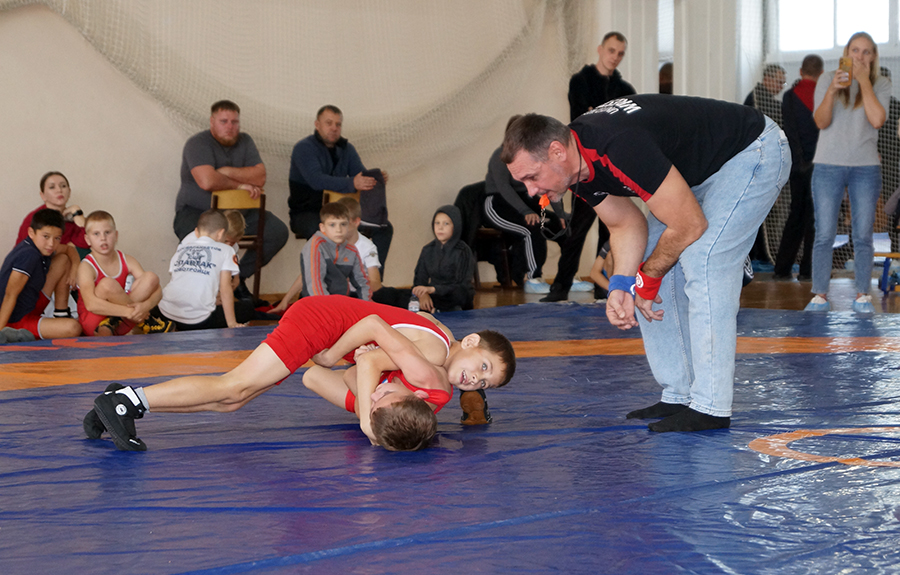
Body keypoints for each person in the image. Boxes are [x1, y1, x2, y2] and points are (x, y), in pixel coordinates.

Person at [502, 95, 790, 432]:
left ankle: (712, 406)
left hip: (752, 150)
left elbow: (690, 225)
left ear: (556, 152)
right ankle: (679, 392)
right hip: (696, 174)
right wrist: (622, 285)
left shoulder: (618, 145)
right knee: (653, 254)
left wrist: (648, 276)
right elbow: (625, 224)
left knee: (705, 258)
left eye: (532, 177)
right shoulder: (577, 167)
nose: (531, 191)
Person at [86, 295, 516, 450]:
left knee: (235, 400)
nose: (474, 379)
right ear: (471, 341)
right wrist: (338, 365)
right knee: (234, 385)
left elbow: (385, 342)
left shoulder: (439, 346)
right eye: (481, 368)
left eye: (484, 382)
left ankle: (127, 399)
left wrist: (352, 362)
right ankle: (127, 402)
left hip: (326, 323)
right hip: (321, 324)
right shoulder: (434, 353)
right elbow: (369, 335)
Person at [543, 31, 635, 303]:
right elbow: (581, 120)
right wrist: (604, 118)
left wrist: (598, 113)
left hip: (614, 167)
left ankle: (604, 288)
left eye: (620, 53)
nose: (615, 57)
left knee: (612, 231)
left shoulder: (626, 90)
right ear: (600, 49)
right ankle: (560, 288)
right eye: (611, 51)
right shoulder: (580, 81)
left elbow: (624, 127)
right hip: (586, 166)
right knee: (578, 229)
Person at [805, 32, 891, 313]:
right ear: (846, 52)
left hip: (865, 168)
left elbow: (877, 120)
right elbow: (821, 121)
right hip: (827, 164)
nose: (860, 57)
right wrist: (831, 90)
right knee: (824, 233)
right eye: (855, 50)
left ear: (874, 56)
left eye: (866, 52)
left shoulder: (881, 83)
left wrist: (864, 81)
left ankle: (863, 294)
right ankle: (819, 294)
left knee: (863, 234)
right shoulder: (827, 78)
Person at [173, 100, 288, 290]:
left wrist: (225, 171)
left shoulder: (245, 141)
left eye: (234, 122)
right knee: (197, 244)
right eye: (223, 121)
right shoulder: (197, 143)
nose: (230, 127)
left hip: (239, 214)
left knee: (277, 232)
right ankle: (204, 289)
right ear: (212, 122)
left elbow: (260, 177)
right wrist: (240, 185)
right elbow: (207, 181)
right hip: (198, 214)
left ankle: (236, 280)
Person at [289, 105, 393, 267]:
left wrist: (373, 180)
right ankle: (326, 280)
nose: (334, 128)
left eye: (338, 124)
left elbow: (360, 176)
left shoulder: (347, 149)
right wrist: (352, 183)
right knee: (326, 232)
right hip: (308, 213)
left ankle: (372, 278)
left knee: (384, 228)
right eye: (329, 123)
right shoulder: (304, 148)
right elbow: (317, 180)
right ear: (317, 125)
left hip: (342, 213)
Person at [482, 115, 564, 294]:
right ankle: (534, 279)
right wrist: (525, 211)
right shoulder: (500, 156)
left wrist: (560, 214)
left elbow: (548, 185)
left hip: (525, 201)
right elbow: (504, 188)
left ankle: (566, 276)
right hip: (499, 203)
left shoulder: (535, 156)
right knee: (532, 229)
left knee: (560, 226)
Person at [76, 211, 172, 336]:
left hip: (121, 321)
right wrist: (130, 312)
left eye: (107, 232)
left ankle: (116, 320)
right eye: (96, 234)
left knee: (151, 277)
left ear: (116, 235)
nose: (103, 238)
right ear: (87, 240)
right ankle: (147, 321)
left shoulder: (127, 259)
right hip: (94, 323)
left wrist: (145, 307)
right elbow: (91, 305)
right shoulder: (86, 266)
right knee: (108, 284)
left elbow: (156, 288)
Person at [157, 209, 254, 331]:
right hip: (197, 320)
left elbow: (178, 278)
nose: (228, 244)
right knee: (248, 308)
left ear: (197, 232)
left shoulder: (183, 248)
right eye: (226, 240)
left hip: (166, 312)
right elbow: (225, 289)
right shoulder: (226, 250)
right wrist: (232, 323)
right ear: (221, 234)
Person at [773, 55, 824, 281]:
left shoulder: (789, 96)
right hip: (820, 165)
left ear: (801, 71)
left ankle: (782, 268)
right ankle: (808, 270)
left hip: (797, 166)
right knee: (815, 218)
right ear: (821, 74)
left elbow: (790, 132)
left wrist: (799, 162)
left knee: (795, 214)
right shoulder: (824, 96)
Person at [16, 171, 89, 317]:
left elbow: (89, 242)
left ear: (69, 191)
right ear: (43, 195)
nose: (59, 190)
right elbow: (26, 253)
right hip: (40, 274)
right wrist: (68, 249)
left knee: (92, 252)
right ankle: (62, 312)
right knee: (66, 256)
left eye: (63, 186)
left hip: (69, 275)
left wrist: (77, 212)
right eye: (52, 187)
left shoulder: (72, 220)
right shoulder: (36, 218)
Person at [0, 209, 81, 339]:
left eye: (57, 238)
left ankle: (61, 314)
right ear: (31, 233)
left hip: (32, 305)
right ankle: (11, 333)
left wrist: (75, 268)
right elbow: (10, 295)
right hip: (15, 319)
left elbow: (69, 249)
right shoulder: (28, 255)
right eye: (46, 237)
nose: (51, 244)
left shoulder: (41, 247)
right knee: (73, 328)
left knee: (63, 260)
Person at [276, 202, 370, 309]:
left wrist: (366, 307)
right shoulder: (315, 245)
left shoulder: (352, 250)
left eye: (343, 224)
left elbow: (362, 282)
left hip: (341, 302)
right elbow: (315, 284)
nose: (338, 230)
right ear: (322, 227)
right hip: (316, 305)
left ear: (348, 225)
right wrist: (328, 310)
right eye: (332, 225)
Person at [744, 63, 787, 267]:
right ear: (767, 79)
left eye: (783, 83)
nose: (781, 86)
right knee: (760, 213)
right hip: (759, 165)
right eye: (779, 82)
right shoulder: (757, 99)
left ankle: (762, 253)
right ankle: (760, 254)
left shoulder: (770, 102)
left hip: (769, 164)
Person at [413, 206, 475, 313]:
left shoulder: (463, 251)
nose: (440, 228)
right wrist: (423, 295)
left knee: (459, 294)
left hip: (455, 297)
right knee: (396, 295)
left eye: (446, 224)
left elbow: (461, 286)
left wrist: (434, 289)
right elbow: (419, 280)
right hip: (434, 295)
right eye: (437, 223)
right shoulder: (428, 249)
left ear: (455, 226)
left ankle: (441, 309)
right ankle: (433, 308)